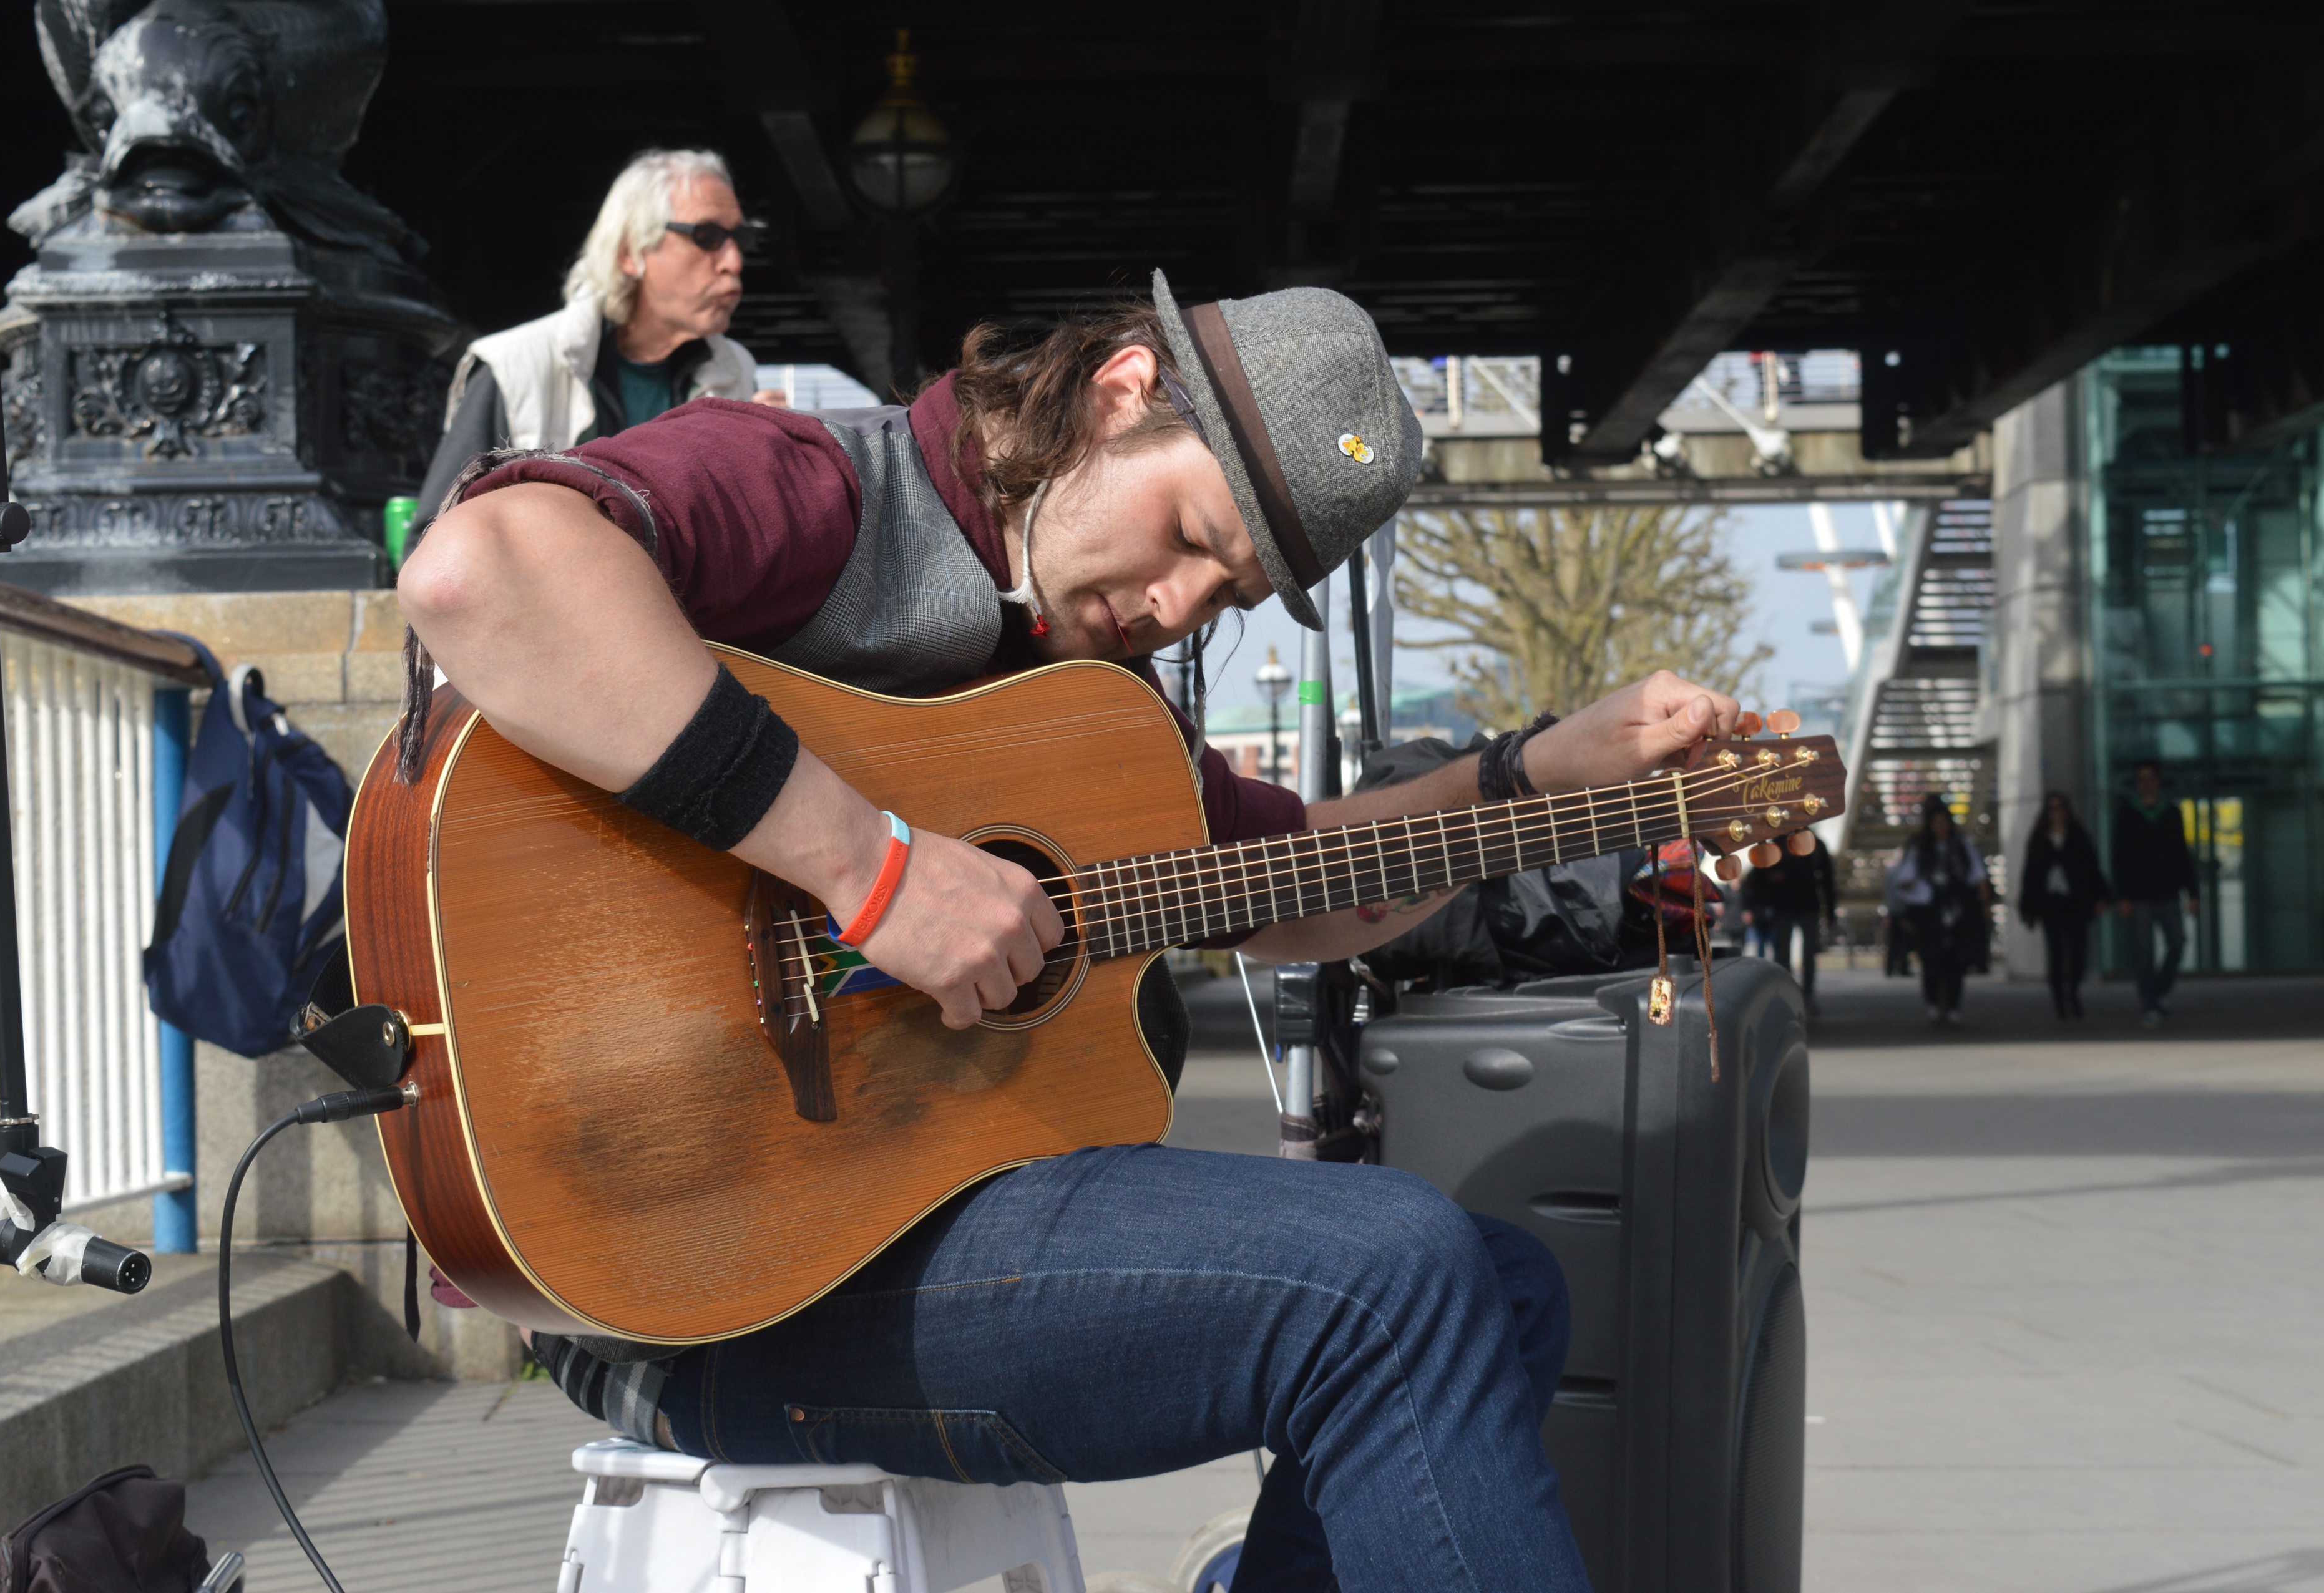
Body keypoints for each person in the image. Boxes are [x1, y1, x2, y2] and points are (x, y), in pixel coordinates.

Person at [398, 271, 1757, 1592]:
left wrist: (1537, 776)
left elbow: (1297, 882)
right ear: (1121, 391)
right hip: (690, 1285)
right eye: (1190, 535)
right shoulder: (827, 487)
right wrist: (870, 871)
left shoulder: (1087, 702)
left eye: (1225, 596)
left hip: (900, 1236)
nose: (1174, 606)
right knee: (1395, 1269)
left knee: (1500, 1289)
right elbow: (483, 570)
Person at [413, 148, 785, 530]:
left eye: (741, 238)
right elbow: (434, 538)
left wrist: (774, 468)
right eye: (707, 236)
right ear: (630, 252)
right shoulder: (514, 369)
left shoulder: (736, 371)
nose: (734, 262)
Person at [2111, 759, 2198, 1028]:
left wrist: (2192, 893)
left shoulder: (2171, 813)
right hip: (2139, 896)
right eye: (2141, 779)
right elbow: (2120, 858)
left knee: (2178, 944)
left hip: (2169, 893)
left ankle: (2158, 991)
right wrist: (2123, 896)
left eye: (2151, 778)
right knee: (2144, 953)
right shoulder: (2127, 814)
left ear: (2159, 781)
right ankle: (2150, 1004)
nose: (2147, 783)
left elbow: (2182, 855)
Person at [1887, 796, 1989, 1026]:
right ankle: (1932, 1003)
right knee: (1931, 960)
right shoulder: (1919, 848)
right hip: (1929, 912)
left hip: (1957, 909)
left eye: (1944, 822)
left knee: (1956, 961)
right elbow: (1904, 879)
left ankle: (1954, 1005)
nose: (1941, 827)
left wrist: (1984, 904)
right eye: (1936, 823)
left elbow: (1978, 876)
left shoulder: (1962, 846)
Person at [2017, 790, 2107, 1020]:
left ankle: (2073, 992)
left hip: (2076, 902)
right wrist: (2027, 907)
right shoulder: (2039, 839)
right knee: (2056, 955)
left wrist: (2101, 896)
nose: (2056, 813)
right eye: (2052, 809)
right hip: (2050, 904)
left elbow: (2092, 869)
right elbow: (2030, 874)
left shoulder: (2079, 837)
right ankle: (2059, 1000)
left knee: (2078, 954)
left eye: (2060, 808)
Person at [1741, 830, 1834, 1013]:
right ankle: (1790, 994)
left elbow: (1827, 879)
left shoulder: (1811, 844)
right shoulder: (1784, 842)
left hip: (1801, 905)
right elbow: (1757, 874)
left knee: (1802, 953)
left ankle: (1802, 994)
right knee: (1786, 953)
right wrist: (1769, 877)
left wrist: (1830, 912)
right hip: (1787, 905)